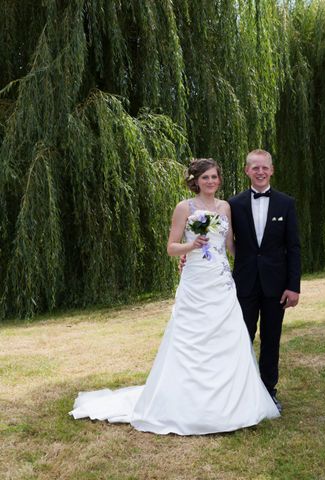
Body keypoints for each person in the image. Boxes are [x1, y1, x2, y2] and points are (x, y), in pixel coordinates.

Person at [69, 158, 280, 435]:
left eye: (214, 177)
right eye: (205, 178)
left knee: (228, 335)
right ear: (195, 180)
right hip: (195, 281)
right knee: (190, 337)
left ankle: (233, 403)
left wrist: (256, 263)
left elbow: (230, 246)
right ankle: (185, 403)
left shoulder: (225, 207)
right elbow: (171, 247)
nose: (210, 182)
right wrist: (191, 245)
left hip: (220, 281)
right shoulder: (184, 207)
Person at [228, 149, 301, 412]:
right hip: (244, 283)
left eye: (264, 168)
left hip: (276, 286)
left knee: (271, 339)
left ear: (271, 170)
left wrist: (293, 286)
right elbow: (221, 242)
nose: (260, 172)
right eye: (254, 167)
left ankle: (269, 391)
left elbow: (293, 247)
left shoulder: (286, 203)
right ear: (246, 170)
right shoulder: (233, 204)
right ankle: (241, 392)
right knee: (242, 337)